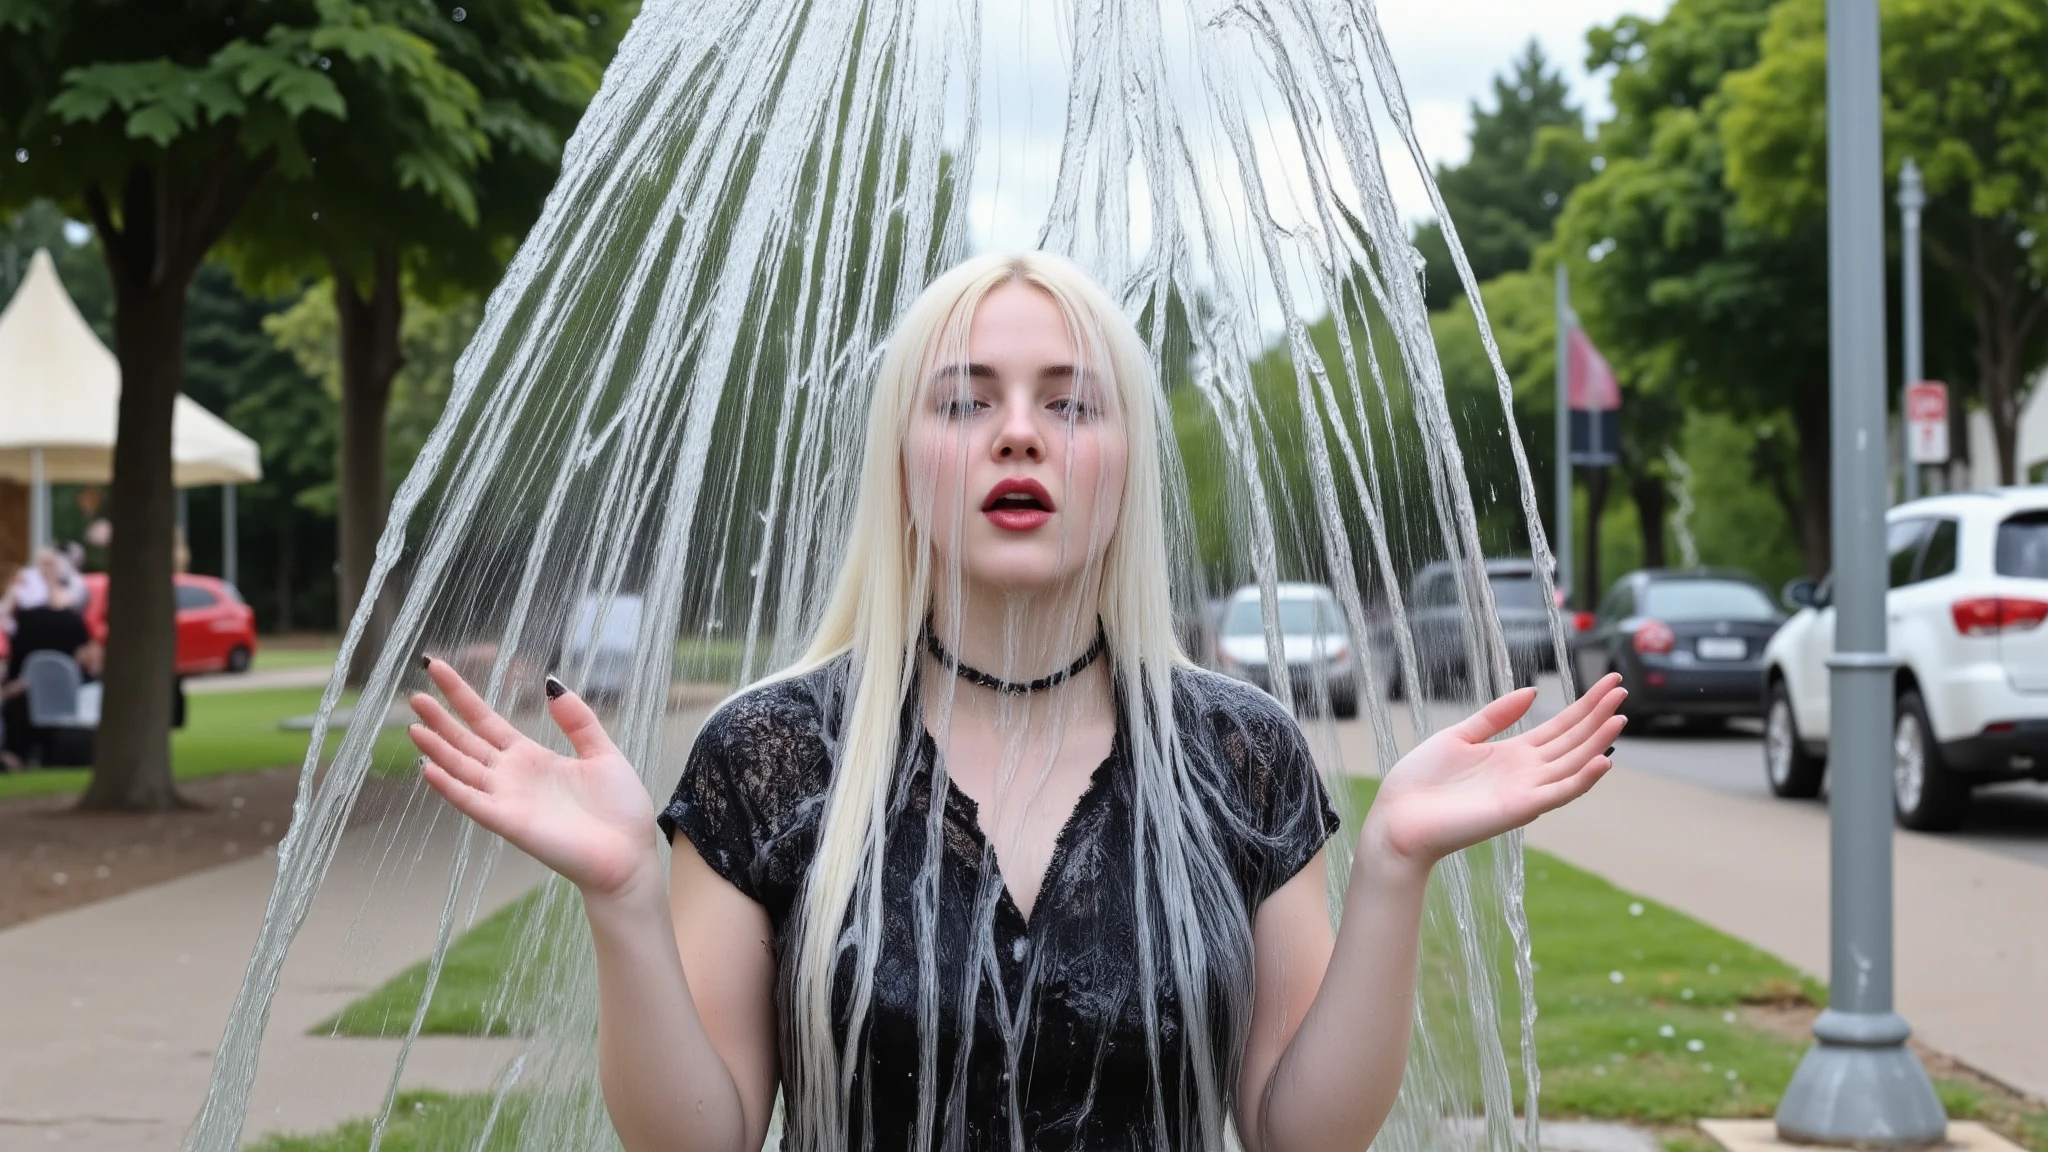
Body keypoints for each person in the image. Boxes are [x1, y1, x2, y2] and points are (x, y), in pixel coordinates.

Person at [408, 252, 1627, 1152]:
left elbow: (1296, 1134)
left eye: (1068, 401)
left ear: (1124, 462)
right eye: (964, 400)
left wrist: (1395, 870)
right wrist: (623, 899)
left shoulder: (1236, 752)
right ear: (902, 461)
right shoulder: (772, 758)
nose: (1017, 436)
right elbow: (701, 1140)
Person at [1, 573, 93, 770]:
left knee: (13, 705)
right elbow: (85, 658)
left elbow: (16, 665)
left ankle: (16, 756)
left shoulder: (25, 622)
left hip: (28, 696)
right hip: (68, 694)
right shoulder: (75, 621)